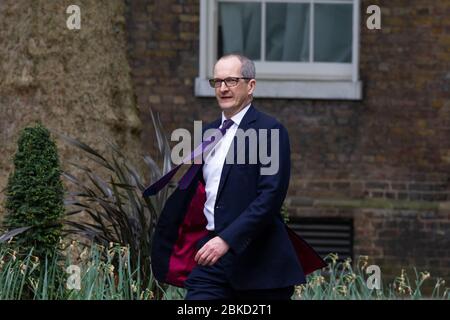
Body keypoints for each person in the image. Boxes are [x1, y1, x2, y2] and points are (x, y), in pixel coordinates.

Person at [145, 54, 325, 300]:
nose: (223, 88)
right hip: (212, 260)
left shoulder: (269, 130)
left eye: (231, 80)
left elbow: (270, 197)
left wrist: (227, 240)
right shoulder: (208, 132)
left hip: (259, 263)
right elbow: (199, 194)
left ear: (250, 85)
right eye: (217, 81)